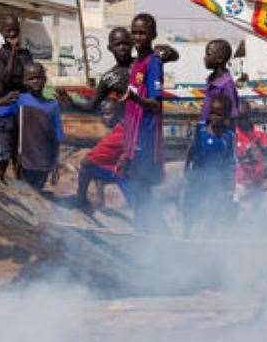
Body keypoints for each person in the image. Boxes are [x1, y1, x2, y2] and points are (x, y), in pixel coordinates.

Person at [57, 26, 179, 113]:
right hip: (130, 125)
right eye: (118, 44)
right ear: (110, 48)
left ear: (132, 44)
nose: (122, 48)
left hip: (149, 121)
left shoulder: (145, 62)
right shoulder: (109, 78)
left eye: (125, 44)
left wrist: (166, 49)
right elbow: (92, 106)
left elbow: (174, 56)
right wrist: (72, 103)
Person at [119, 13, 166, 227]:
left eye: (143, 33)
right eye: (135, 32)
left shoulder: (154, 62)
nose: (138, 37)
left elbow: (155, 104)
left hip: (145, 137)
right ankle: (146, 229)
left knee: (141, 185)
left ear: (153, 35)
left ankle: (152, 232)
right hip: (133, 134)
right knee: (136, 185)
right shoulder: (136, 62)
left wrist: (135, 98)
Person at [0, 62, 64, 190]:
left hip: (45, 162)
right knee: (26, 191)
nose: (35, 81)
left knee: (37, 192)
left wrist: (55, 164)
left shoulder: (53, 105)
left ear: (45, 80)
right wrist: (1, 101)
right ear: (24, 82)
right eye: (31, 78)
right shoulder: (19, 100)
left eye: (39, 78)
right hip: (25, 162)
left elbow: (57, 138)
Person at [182, 95, 235, 233]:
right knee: (191, 204)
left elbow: (229, 161)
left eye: (218, 114)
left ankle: (212, 234)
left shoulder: (228, 136)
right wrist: (187, 169)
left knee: (214, 209)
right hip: (198, 175)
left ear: (226, 116)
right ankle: (187, 231)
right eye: (212, 112)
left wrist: (228, 184)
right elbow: (192, 150)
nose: (214, 116)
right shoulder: (201, 130)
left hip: (216, 179)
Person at [0, 16, 34, 174]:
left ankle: (20, 183)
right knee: (2, 152)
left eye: (15, 30)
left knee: (20, 150)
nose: (13, 33)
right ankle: (0, 180)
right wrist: (13, 52)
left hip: (23, 105)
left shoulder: (26, 54)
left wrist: (19, 53)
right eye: (9, 30)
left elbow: (29, 77)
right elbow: (4, 77)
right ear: (2, 32)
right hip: (5, 105)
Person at [75, 99, 129, 211]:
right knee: (99, 165)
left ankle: (80, 200)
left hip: (125, 174)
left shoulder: (121, 132)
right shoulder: (125, 126)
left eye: (108, 114)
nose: (104, 117)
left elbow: (89, 159)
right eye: (103, 114)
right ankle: (100, 200)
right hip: (129, 170)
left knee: (87, 165)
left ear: (119, 113)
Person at [234, 100, 267, 203]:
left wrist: (260, 147)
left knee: (257, 207)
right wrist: (246, 152)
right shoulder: (233, 134)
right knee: (239, 206)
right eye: (240, 117)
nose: (242, 120)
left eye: (245, 117)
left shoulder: (259, 132)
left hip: (256, 178)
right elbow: (232, 155)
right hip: (242, 178)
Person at [201, 39, 240, 124]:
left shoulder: (226, 84)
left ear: (220, 58)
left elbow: (231, 114)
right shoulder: (212, 80)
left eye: (208, 54)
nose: (204, 58)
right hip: (207, 131)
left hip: (219, 134)